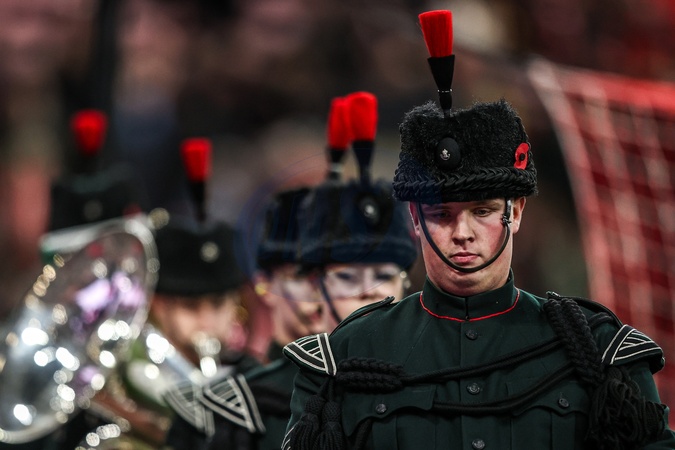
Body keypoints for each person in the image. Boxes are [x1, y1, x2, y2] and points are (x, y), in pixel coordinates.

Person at [281, 10, 675, 450]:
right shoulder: (345, 357)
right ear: (415, 220)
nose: (462, 233)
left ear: (516, 212)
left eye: (483, 211)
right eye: (441, 214)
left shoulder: (598, 351)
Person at [160, 91, 419, 449]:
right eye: (345, 277)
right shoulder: (244, 404)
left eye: (384, 276)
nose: (370, 292)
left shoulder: (426, 378)